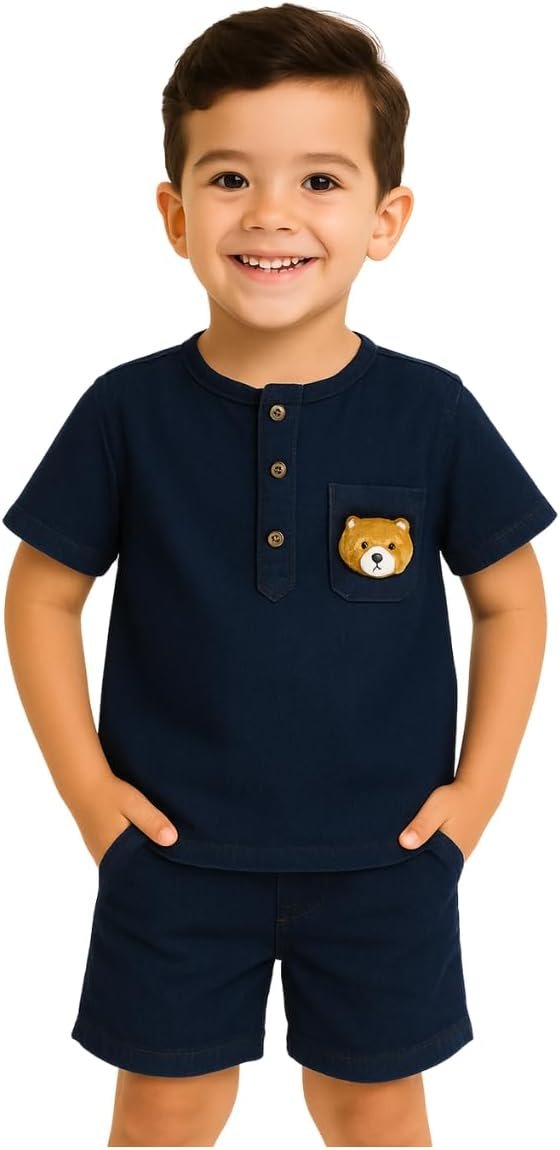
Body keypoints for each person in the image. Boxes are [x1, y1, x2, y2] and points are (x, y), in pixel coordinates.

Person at [2, 3, 557, 1146]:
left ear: (384, 218)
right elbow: (42, 594)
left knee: (371, 1108)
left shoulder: (432, 412)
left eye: (317, 180)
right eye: (227, 178)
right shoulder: (123, 412)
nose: (268, 214)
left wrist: (476, 797)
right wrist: (91, 798)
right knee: (164, 1106)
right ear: (174, 213)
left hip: (385, 857)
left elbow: (508, 596)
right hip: (169, 855)